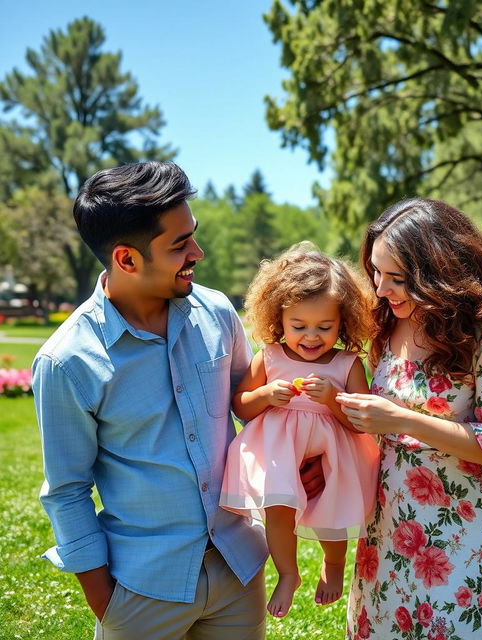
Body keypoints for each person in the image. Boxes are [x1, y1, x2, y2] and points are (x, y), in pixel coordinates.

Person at [32, 161, 323, 640]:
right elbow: (66, 490)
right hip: (141, 587)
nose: (198, 252)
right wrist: (104, 600)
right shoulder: (67, 362)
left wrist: (303, 462)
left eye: (193, 235)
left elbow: (248, 404)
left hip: (237, 568)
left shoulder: (217, 312)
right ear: (126, 259)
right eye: (179, 245)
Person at [336, 198, 482, 640]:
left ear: (439, 277)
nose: (380, 289)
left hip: (469, 538)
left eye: (396, 279)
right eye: (376, 272)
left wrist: (404, 421)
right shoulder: (389, 324)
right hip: (392, 534)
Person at [219, 246, 380, 619]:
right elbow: (241, 406)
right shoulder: (270, 357)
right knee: (278, 510)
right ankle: (288, 573)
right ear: (279, 318)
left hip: (334, 453)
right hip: (278, 454)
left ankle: (334, 564)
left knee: (332, 509)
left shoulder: (346, 363)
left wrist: (334, 400)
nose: (311, 337)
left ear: (344, 322)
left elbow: (362, 419)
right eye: (299, 326)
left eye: (325, 327)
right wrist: (264, 394)